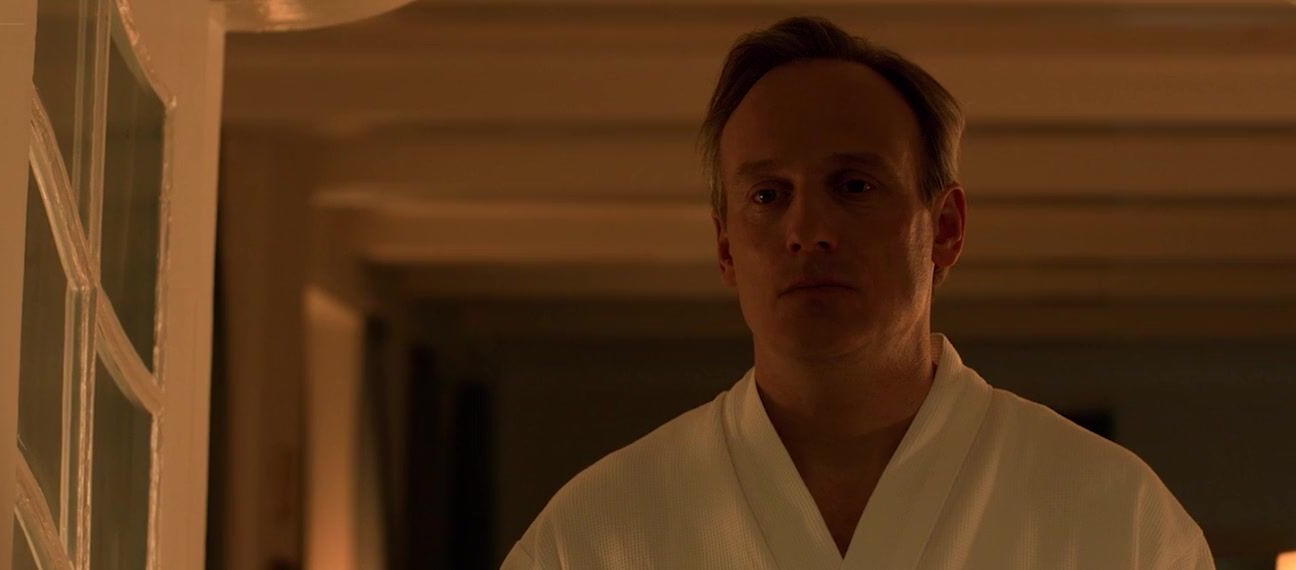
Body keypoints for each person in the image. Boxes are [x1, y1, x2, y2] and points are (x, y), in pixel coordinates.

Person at [501, 16, 1214, 569]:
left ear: (945, 228)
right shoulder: (597, 533)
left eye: (853, 186)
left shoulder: (1114, 516)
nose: (807, 230)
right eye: (768, 194)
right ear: (725, 247)